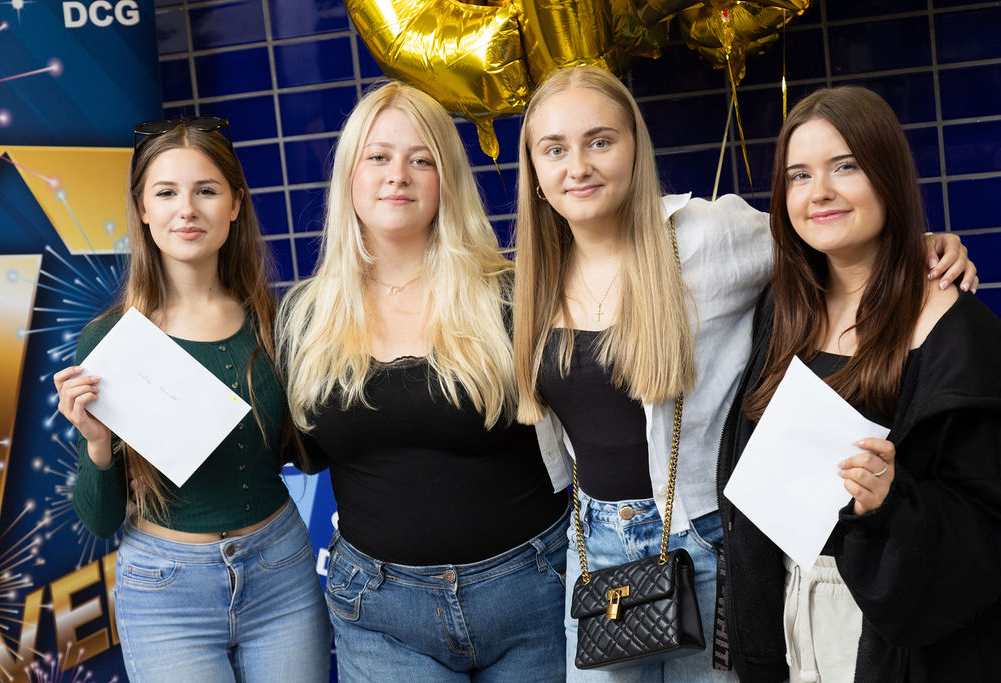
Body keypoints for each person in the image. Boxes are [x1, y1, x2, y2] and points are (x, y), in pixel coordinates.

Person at [510, 65, 978, 682]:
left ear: (634, 149)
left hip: (703, 539)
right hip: (591, 547)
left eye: (601, 141)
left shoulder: (706, 237)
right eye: (555, 149)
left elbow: (820, 230)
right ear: (536, 173)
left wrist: (920, 243)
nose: (579, 166)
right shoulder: (529, 277)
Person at [276, 82, 570, 682]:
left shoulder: (510, 295)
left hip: (531, 594)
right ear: (350, 177)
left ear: (447, 178)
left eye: (421, 159)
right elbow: (296, 451)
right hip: (381, 612)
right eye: (378, 156)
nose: (398, 176)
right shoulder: (306, 315)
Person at [717, 86, 1001, 682]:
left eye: (844, 167)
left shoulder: (954, 327)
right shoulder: (782, 310)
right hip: (785, 608)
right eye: (798, 175)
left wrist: (892, 503)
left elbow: (986, 521)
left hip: (888, 633)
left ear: (888, 175)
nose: (818, 192)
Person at [53, 117, 331, 682]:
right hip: (164, 590)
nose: (187, 209)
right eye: (166, 193)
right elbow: (101, 520)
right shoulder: (111, 342)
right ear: (143, 212)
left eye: (206, 190)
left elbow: (312, 455)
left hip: (281, 570)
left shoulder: (278, 324)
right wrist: (98, 444)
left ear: (234, 204)